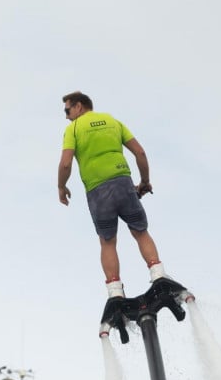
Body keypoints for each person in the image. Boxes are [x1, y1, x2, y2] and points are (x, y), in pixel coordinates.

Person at [57, 90, 171, 300]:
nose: (66, 116)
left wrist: (61, 187)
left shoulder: (73, 129)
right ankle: (158, 274)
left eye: (67, 110)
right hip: (124, 184)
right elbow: (140, 153)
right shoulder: (113, 121)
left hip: (98, 191)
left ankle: (115, 292)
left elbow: (65, 164)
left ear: (79, 106)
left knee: (108, 241)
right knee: (140, 232)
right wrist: (144, 182)